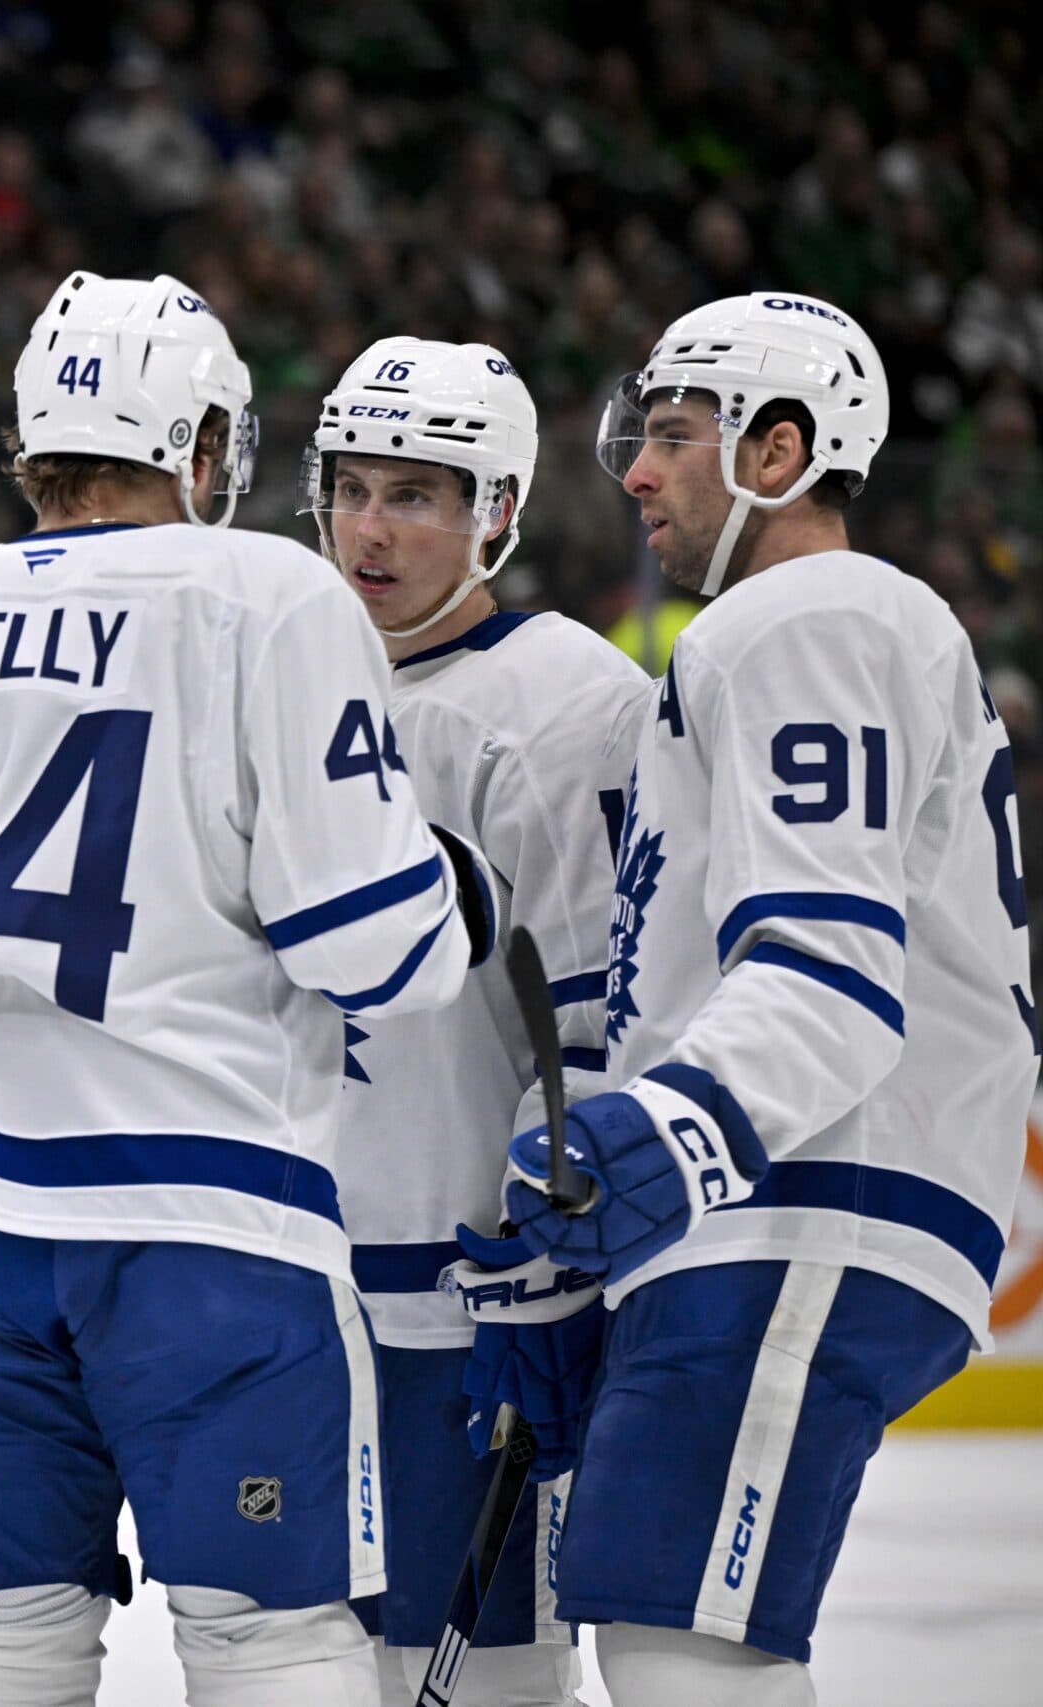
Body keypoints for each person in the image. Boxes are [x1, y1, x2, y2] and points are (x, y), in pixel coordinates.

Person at [0, 271, 496, 1707]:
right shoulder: (268, 592)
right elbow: (378, 955)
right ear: (205, 447)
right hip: (204, 1212)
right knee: (272, 1634)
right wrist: (454, 889)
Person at [485, 292, 1032, 1705]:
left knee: (687, 1647)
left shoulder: (818, 611)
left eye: (675, 434)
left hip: (812, 1188)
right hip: (786, 1192)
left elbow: (832, 972)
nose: (637, 472)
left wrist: (656, 1144)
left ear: (783, 451)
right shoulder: (770, 636)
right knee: (672, 1633)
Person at [302, 338, 648, 1704]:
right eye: (351, 488)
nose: (370, 528)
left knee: (492, 1670)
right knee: (297, 1660)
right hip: (285, 1284)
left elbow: (596, 1014)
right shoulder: (279, 669)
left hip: (463, 1291)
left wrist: (545, 1243)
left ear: (496, 510)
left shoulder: (568, 701)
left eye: (417, 495)